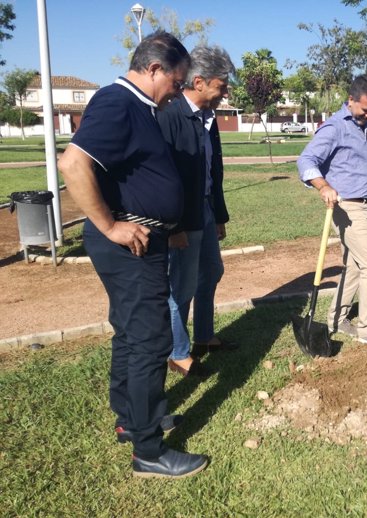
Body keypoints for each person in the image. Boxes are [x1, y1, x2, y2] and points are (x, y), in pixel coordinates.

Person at [58, 31, 208, 479]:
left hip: (145, 238)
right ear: (155, 69)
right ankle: (149, 450)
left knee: (130, 332)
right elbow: (73, 163)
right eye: (177, 82)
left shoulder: (140, 108)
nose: (178, 92)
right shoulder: (116, 101)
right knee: (149, 339)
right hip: (128, 242)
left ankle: (130, 417)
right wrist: (110, 225)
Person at [297, 74, 367, 348]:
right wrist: (322, 186)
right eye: (365, 109)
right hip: (345, 206)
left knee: (355, 266)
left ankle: (336, 318)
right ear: (351, 100)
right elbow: (307, 160)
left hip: (364, 205)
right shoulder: (335, 127)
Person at [157, 45, 234, 377]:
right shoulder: (170, 116)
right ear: (199, 81)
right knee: (181, 287)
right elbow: (163, 176)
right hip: (181, 219)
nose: (226, 92)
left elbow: (213, 170)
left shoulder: (208, 119)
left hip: (204, 211)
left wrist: (218, 214)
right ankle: (178, 353)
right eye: (222, 85)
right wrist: (173, 227)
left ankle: (203, 336)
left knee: (212, 272)